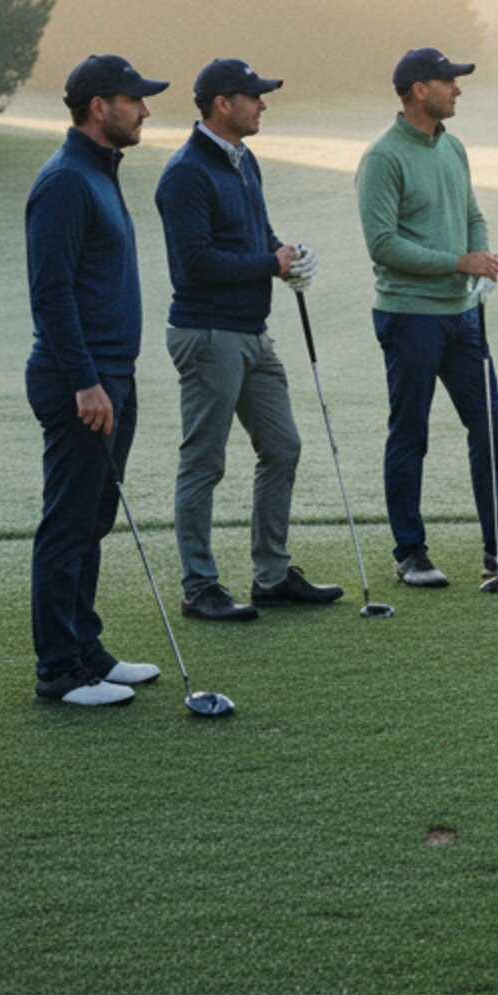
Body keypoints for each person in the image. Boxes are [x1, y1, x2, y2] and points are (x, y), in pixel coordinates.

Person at [353, 47, 498, 587]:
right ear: (419, 89)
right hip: (409, 316)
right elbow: (382, 245)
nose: (458, 89)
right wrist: (456, 262)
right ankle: (410, 554)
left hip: (460, 313)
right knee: (411, 432)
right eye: (449, 81)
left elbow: (471, 213)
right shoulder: (383, 157)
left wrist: (483, 261)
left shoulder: (453, 148)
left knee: (491, 421)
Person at [153, 58, 343, 620]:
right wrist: (269, 262)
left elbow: (260, 235)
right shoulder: (187, 172)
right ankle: (200, 587)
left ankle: (271, 575)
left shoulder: (244, 161)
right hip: (208, 332)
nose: (263, 104)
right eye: (254, 96)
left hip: (250, 334)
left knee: (282, 446)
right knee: (205, 462)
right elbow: (194, 265)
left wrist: (289, 258)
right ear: (222, 104)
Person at [23, 54, 171, 705]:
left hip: (113, 377)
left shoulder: (100, 175)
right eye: (133, 99)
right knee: (68, 522)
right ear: (98, 107)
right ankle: (59, 668)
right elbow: (50, 292)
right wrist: (86, 382)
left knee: (93, 521)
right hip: (79, 381)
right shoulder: (64, 183)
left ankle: (86, 647)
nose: (144, 110)